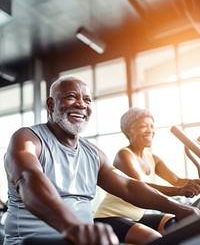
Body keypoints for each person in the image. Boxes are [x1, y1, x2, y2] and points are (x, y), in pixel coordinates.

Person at [3, 77, 200, 245]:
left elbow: (129, 186)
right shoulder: (28, 139)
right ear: (51, 104)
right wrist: (74, 227)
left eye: (87, 100)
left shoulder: (92, 153)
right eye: (71, 97)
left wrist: (179, 208)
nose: (81, 104)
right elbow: (29, 179)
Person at [94, 107, 200, 241]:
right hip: (110, 217)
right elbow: (142, 187)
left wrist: (194, 184)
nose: (150, 130)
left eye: (151, 126)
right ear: (128, 130)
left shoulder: (152, 158)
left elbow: (177, 180)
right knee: (153, 238)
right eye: (144, 126)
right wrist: (180, 190)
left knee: (178, 223)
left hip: (137, 217)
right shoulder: (124, 155)